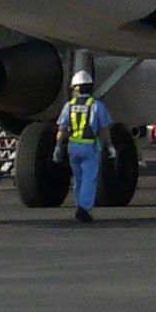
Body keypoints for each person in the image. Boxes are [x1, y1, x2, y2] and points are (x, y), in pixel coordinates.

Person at [58, 70, 111, 222]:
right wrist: (110, 146)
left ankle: (79, 204)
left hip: (73, 147)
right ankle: (83, 208)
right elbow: (104, 129)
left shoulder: (69, 106)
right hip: (90, 147)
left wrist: (57, 147)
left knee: (78, 178)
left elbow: (61, 129)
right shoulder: (96, 106)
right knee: (90, 178)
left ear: (76, 88)